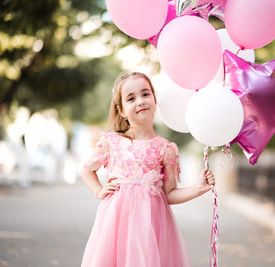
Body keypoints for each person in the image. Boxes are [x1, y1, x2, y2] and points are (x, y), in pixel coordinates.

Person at [80, 72, 216, 267]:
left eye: (145, 94)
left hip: (151, 227)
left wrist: (198, 188)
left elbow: (168, 194)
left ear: (154, 98)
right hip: (117, 225)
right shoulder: (112, 142)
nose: (140, 101)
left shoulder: (166, 149)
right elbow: (87, 169)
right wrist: (98, 190)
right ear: (122, 110)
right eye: (131, 98)